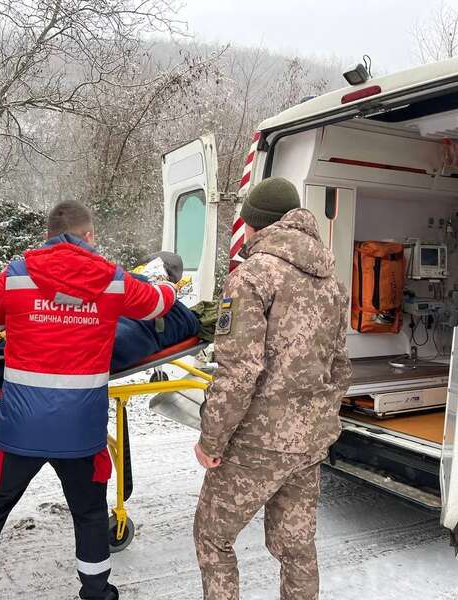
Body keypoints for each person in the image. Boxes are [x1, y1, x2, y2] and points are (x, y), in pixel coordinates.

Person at [0, 201, 177, 600]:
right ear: (89, 236)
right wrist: (171, 286)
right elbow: (157, 304)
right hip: (81, 432)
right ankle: (97, 591)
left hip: (18, 430)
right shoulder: (112, 279)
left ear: (48, 236)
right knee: (89, 513)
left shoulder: (16, 274)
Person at [193, 177, 352, 600]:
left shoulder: (252, 276)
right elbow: (340, 366)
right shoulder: (331, 281)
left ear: (254, 223)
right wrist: (319, 422)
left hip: (257, 443)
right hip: (308, 441)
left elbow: (239, 372)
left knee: (212, 537)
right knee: (296, 547)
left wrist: (211, 440)